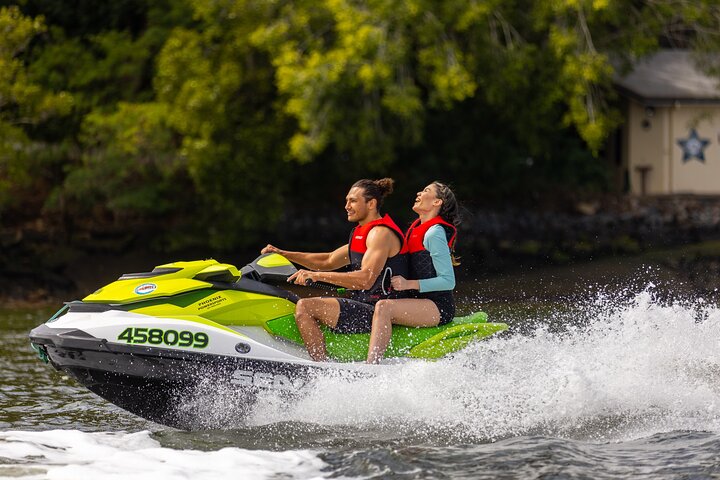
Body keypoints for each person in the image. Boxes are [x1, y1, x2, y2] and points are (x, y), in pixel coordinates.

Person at [261, 178, 407, 361]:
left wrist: (315, 276)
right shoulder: (362, 232)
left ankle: (321, 369)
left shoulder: (380, 234)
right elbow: (328, 260)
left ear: (371, 204)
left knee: (305, 307)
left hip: (378, 311)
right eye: (347, 200)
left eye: (353, 201)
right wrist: (283, 253)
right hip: (364, 304)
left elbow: (365, 279)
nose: (346, 206)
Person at [366, 181, 460, 364]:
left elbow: (448, 281)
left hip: (437, 305)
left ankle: (371, 366)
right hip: (415, 300)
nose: (418, 193)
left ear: (437, 202)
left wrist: (409, 284)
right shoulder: (414, 230)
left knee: (384, 308)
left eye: (426, 191)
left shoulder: (434, 233)